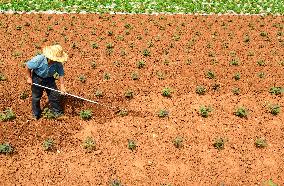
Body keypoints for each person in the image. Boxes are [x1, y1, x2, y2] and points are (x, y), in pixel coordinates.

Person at [26, 44, 68, 120]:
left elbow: (61, 73)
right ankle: (35, 114)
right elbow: (28, 67)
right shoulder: (38, 59)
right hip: (37, 79)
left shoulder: (58, 62)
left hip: (50, 79)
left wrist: (62, 85)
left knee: (54, 95)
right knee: (36, 97)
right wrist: (29, 78)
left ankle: (57, 114)